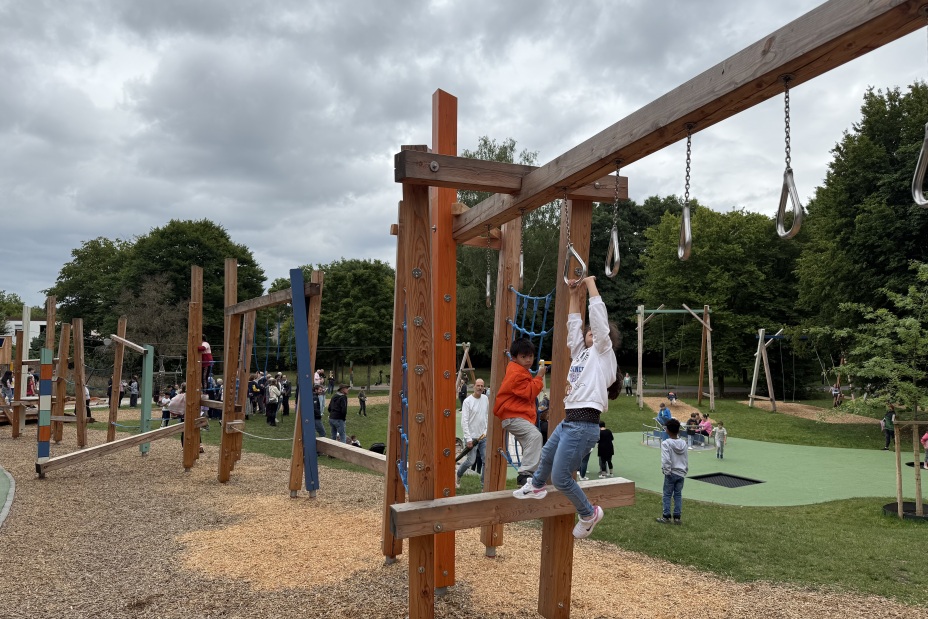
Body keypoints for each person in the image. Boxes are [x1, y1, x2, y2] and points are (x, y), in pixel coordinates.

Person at [514, 276, 620, 540]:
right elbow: (573, 327)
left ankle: (588, 513)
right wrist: (573, 295)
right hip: (570, 420)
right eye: (588, 331)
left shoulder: (603, 353)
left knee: (561, 478)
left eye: (595, 332)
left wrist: (590, 284)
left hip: (584, 423)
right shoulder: (581, 353)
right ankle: (537, 485)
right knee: (547, 455)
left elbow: (599, 320)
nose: (590, 332)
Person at [494, 337, 546, 486]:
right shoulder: (517, 374)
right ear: (514, 357)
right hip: (513, 416)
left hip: (515, 416)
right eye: (524, 357)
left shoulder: (520, 370)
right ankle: (525, 474)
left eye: (530, 356)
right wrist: (539, 377)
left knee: (530, 443)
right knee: (535, 436)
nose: (528, 360)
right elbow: (530, 392)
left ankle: (532, 475)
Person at [456, 378, 489, 488]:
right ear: (474, 386)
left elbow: (487, 416)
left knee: (486, 461)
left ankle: (484, 485)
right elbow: (464, 421)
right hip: (471, 436)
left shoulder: (485, 399)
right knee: (471, 461)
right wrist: (468, 438)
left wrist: (486, 431)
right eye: (478, 385)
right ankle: (458, 475)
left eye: (482, 386)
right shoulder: (467, 402)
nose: (480, 388)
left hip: (483, 436)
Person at [657, 417, 688, 525]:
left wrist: (667, 471)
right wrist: (685, 470)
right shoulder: (683, 443)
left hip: (671, 473)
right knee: (678, 495)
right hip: (681, 473)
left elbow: (666, 459)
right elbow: (685, 458)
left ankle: (666, 516)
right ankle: (677, 517)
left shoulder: (666, 443)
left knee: (667, 495)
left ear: (667, 430)